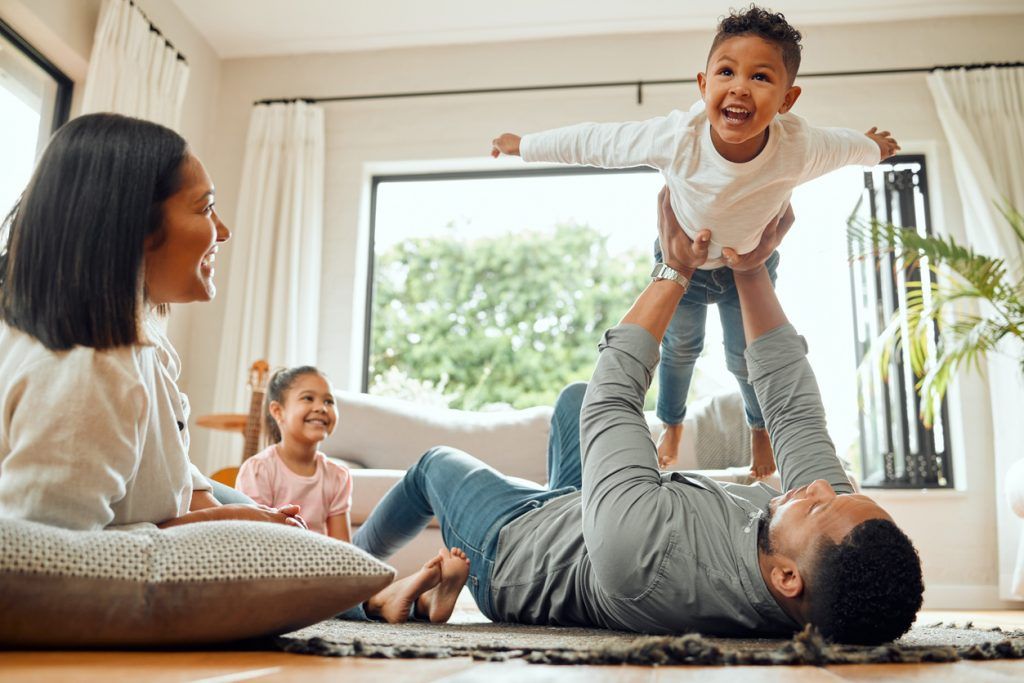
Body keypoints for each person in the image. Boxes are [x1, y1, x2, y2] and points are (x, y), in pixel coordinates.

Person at [352, 188, 924, 644]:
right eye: (836, 491)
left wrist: (675, 270)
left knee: (433, 465)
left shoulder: (647, 562)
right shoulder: (813, 561)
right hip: (586, 516)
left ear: (786, 578)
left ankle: (355, 586)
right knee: (572, 398)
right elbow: (794, 411)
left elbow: (614, 398)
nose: (818, 486)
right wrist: (752, 272)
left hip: (514, 551)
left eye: (819, 501)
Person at [0, 112, 464, 624]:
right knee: (295, 543)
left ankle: (374, 597)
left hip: (182, 492)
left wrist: (220, 511)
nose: (222, 231)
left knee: (280, 528)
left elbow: (169, 467)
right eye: (206, 208)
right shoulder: (88, 370)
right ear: (131, 225)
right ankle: (374, 598)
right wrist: (217, 526)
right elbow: (43, 559)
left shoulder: (137, 341)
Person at [490, 6, 900, 479]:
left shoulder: (799, 147)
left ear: (788, 100)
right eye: (726, 71)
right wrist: (524, 145)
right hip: (681, 262)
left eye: (761, 77)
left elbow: (847, 147)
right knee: (681, 348)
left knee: (745, 358)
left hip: (749, 266)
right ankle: (672, 422)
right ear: (704, 85)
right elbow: (596, 142)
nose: (740, 86)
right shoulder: (677, 137)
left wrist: (874, 149)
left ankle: (759, 429)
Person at [236, 366, 354, 540]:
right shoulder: (258, 470)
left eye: (329, 401)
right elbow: (253, 539)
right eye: (308, 398)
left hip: (320, 562)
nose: (321, 407)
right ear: (278, 411)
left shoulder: (337, 476)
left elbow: (343, 549)